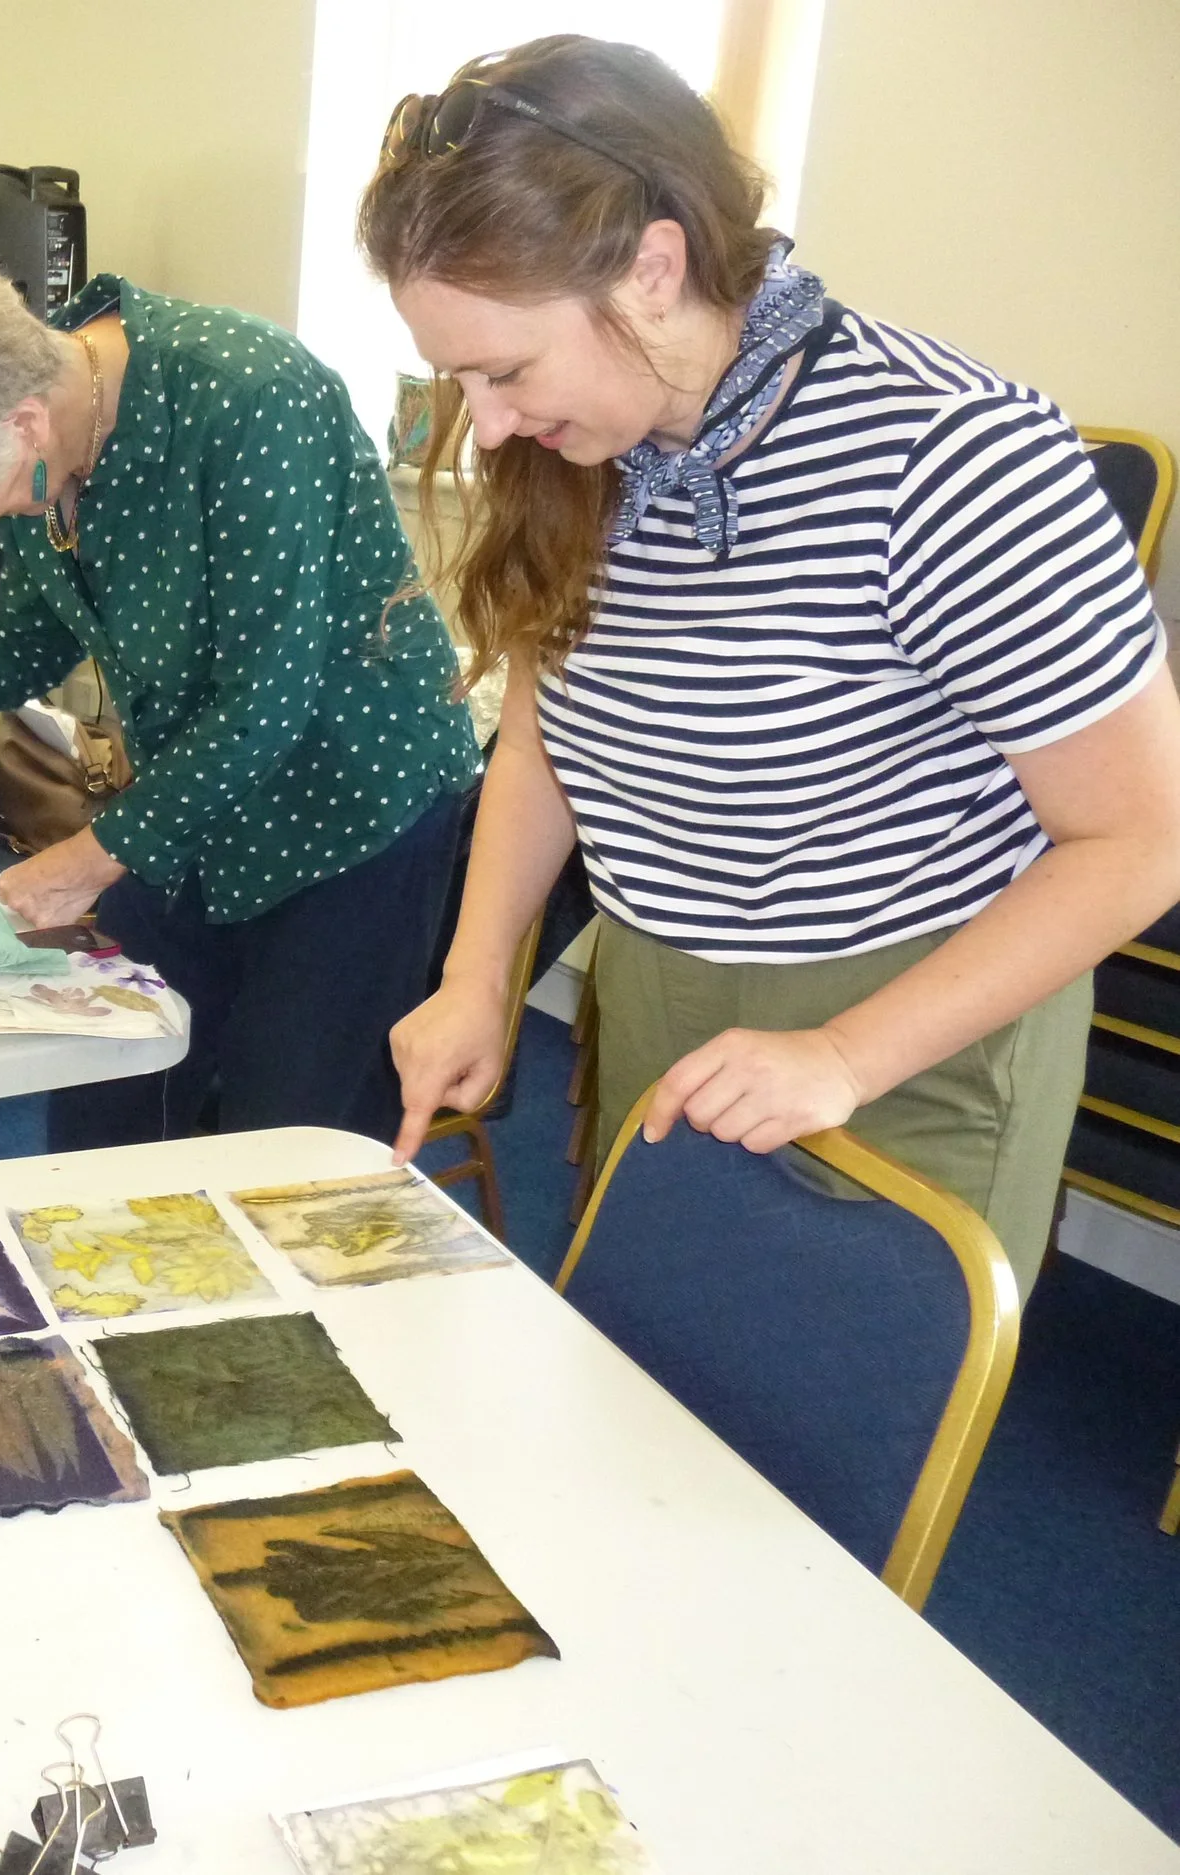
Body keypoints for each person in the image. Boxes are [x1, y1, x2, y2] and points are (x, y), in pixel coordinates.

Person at [362, 36, 1180, 1291]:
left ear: (650, 268)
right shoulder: (586, 453)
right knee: (646, 1395)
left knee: (826, 1454)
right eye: (458, 375)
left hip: (907, 1027)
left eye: (508, 368)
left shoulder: (952, 457)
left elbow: (1140, 842)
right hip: (657, 987)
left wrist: (845, 1056)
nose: (488, 421)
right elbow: (541, 741)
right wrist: (477, 976)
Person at [0, 254, 483, 1154]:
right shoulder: (46, 445)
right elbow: (27, 638)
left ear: (23, 423)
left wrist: (86, 858)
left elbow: (265, 702)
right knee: (104, 1087)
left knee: (292, 1149)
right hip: (191, 802)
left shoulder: (249, 398)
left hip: (347, 812)